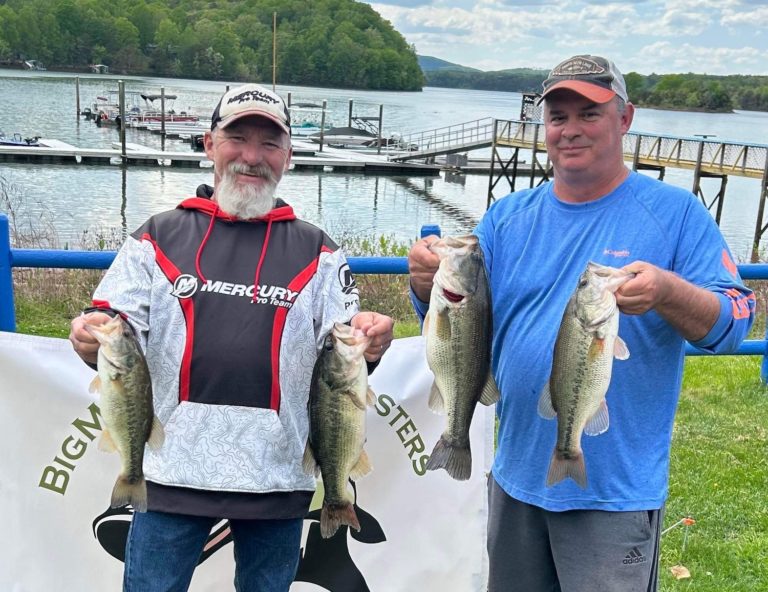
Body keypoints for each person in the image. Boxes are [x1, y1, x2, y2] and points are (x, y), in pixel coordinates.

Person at [408, 55, 755, 592]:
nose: (569, 130)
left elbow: (735, 320)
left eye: (588, 114)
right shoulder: (508, 216)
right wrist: (425, 281)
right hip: (516, 477)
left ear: (625, 118)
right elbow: (461, 325)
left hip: (611, 495)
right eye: (558, 116)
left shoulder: (676, 214)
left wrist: (667, 291)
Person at [69, 83, 394, 592]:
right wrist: (87, 333)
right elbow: (110, 326)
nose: (251, 156)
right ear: (208, 144)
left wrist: (374, 339)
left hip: (278, 480)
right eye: (237, 137)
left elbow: (350, 354)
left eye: (269, 144)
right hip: (169, 479)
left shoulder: (322, 252)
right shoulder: (157, 234)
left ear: (288, 155)